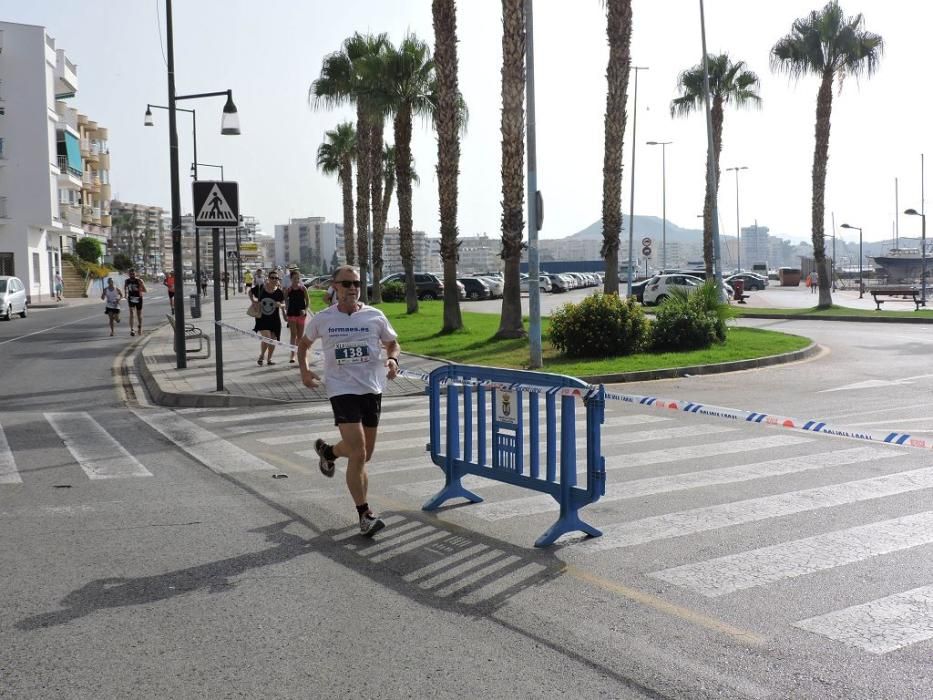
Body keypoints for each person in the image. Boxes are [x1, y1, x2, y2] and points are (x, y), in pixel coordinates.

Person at [297, 265, 401, 538]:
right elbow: (304, 345)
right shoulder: (324, 319)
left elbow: (392, 342)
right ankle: (364, 514)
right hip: (341, 389)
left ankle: (329, 453)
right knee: (358, 453)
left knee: (364, 454)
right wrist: (305, 371)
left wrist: (392, 359)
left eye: (356, 283)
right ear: (335, 286)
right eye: (346, 283)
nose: (352, 288)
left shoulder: (374, 315)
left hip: (372, 387)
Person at [250, 270, 285, 365]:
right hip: (262, 318)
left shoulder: (279, 292)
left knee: (272, 340)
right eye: (272, 278)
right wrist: (253, 301)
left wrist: (280, 305)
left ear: (278, 279)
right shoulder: (261, 288)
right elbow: (251, 291)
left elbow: (283, 303)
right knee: (267, 338)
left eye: (276, 278)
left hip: (275, 319)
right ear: (268, 278)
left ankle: (269, 359)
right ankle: (261, 355)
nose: (274, 279)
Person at [284, 270, 309, 363]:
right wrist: (286, 307)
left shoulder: (303, 289)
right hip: (291, 313)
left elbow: (308, 301)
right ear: (291, 279)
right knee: (293, 334)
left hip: (301, 314)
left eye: (298, 278)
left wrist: (305, 311)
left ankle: (300, 353)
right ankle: (292, 355)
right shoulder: (289, 289)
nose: (296, 280)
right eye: (294, 278)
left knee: (300, 335)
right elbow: (285, 298)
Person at [123, 269, 147, 336]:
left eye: (133, 274)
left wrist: (138, 289)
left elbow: (145, 290)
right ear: (129, 274)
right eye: (131, 274)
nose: (132, 275)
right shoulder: (127, 281)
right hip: (131, 298)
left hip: (139, 298)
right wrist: (125, 294)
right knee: (131, 313)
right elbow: (125, 288)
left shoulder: (139, 280)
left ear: (135, 274)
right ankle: (132, 329)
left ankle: (140, 327)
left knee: (139, 314)